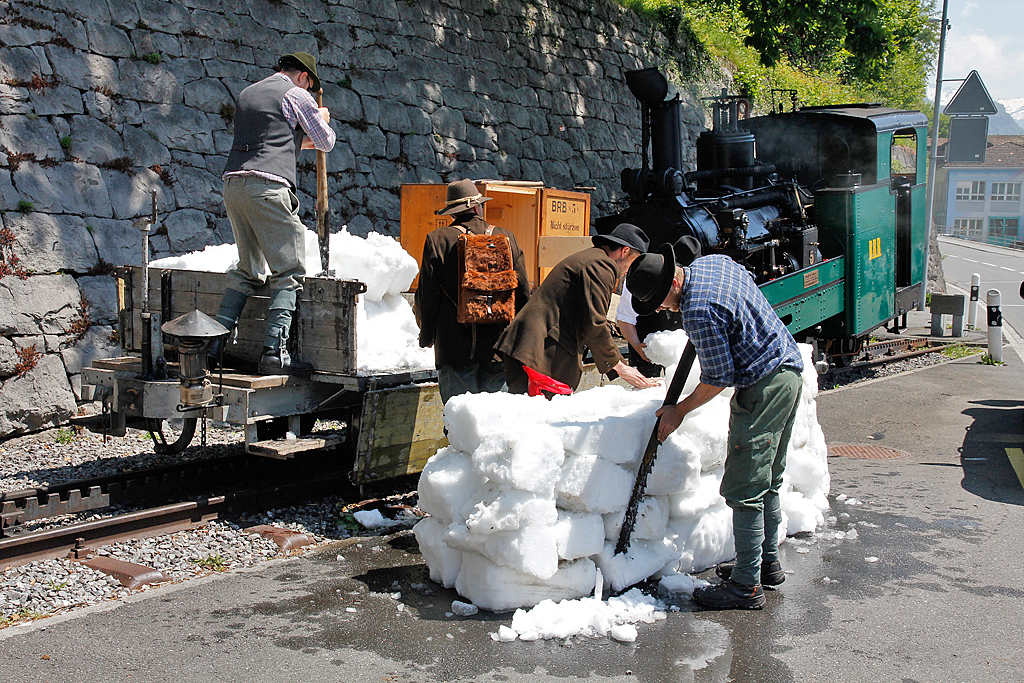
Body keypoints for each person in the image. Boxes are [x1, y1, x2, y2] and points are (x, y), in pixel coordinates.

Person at [627, 245, 804, 610]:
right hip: (788, 373)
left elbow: (718, 377)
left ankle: (745, 587)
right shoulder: (714, 264)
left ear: (675, 281)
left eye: (662, 300)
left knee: (745, 485)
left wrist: (680, 411)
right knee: (768, 478)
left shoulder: (698, 311)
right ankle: (765, 565)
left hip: (762, 386)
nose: (662, 309)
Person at [210, 51, 336, 375]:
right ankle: (274, 354)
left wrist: (304, 133)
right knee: (289, 270)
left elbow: (281, 139)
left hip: (233, 185)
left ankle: (214, 346)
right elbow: (325, 141)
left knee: (248, 269)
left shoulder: (248, 93)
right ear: (305, 77)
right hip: (267, 187)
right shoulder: (298, 95)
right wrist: (322, 116)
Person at [495, 223, 661, 394]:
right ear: (625, 251)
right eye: (634, 262)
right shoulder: (603, 265)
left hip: (532, 349)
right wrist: (621, 368)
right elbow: (595, 322)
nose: (629, 271)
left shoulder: (593, 258)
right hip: (537, 352)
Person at [414, 179, 531, 404]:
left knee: (460, 423)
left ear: (453, 212)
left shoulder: (438, 239)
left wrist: (426, 336)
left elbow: (428, 297)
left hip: (454, 348)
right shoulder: (507, 237)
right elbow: (523, 293)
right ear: (478, 207)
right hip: (499, 348)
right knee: (496, 421)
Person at [616, 235, 701, 377]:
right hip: (646, 346)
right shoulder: (642, 279)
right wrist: (638, 346)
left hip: (684, 351)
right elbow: (625, 318)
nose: (658, 308)